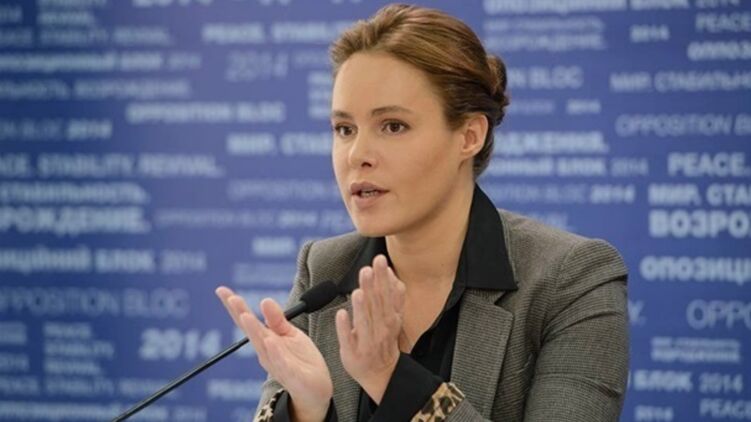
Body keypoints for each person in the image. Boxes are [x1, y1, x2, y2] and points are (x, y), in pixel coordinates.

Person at [215, 3, 629, 421]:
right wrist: (306, 408)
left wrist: (392, 379)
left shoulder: (570, 281)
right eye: (344, 129)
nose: (357, 155)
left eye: (393, 126)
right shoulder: (324, 269)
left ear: (469, 135)